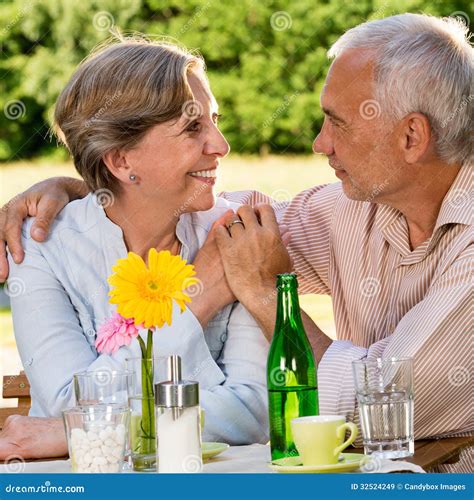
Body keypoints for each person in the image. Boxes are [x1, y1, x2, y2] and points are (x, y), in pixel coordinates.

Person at [1, 14, 472, 472]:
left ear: (412, 136)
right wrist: (85, 185)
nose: (318, 143)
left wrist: (267, 294)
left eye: (338, 122)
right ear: (121, 159)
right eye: (194, 126)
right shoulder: (343, 211)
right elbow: (167, 205)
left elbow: (273, 410)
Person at [0, 36, 278, 457]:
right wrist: (193, 300)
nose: (221, 145)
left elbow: (251, 414)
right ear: (121, 160)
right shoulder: (41, 248)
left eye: (215, 120)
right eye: (193, 127)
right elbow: (66, 404)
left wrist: (91, 428)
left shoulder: (232, 235)